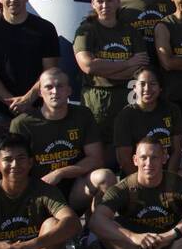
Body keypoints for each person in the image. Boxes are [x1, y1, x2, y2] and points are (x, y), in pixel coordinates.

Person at [11, 67, 114, 215]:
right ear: (40, 92)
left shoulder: (82, 115)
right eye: (49, 87)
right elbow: (17, 169)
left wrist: (60, 173)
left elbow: (96, 159)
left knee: (105, 176)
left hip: (75, 188)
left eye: (60, 86)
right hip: (39, 192)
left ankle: (93, 233)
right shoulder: (22, 124)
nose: (54, 91)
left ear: (69, 91)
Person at [0, 0, 60, 138]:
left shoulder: (45, 29)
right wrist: (13, 102)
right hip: (2, 111)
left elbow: (50, 70)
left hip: (40, 109)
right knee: (3, 160)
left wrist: (29, 99)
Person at [74, 0, 149, 153]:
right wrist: (127, 63)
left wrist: (105, 68)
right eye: (100, 1)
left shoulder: (130, 31)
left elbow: (140, 67)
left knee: (128, 145)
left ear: (118, 2)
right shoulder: (86, 30)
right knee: (99, 148)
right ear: (93, 3)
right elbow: (88, 66)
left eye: (109, 0)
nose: (105, 5)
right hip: (97, 99)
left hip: (127, 96)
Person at [113, 67, 182, 175]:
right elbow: (124, 159)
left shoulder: (172, 110)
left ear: (160, 88)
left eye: (153, 84)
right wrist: (144, 182)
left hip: (167, 173)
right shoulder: (125, 115)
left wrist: (169, 179)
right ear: (135, 88)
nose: (147, 89)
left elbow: (176, 151)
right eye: (142, 84)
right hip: (137, 176)